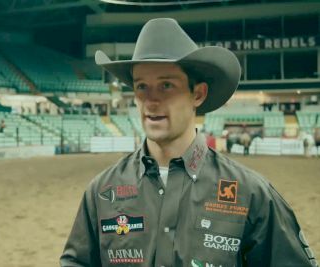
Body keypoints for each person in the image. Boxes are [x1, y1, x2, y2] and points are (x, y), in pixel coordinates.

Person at [60, 18, 317, 267]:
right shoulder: (102, 191)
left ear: (198, 94)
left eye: (166, 85)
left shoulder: (251, 194)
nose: (151, 100)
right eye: (141, 87)